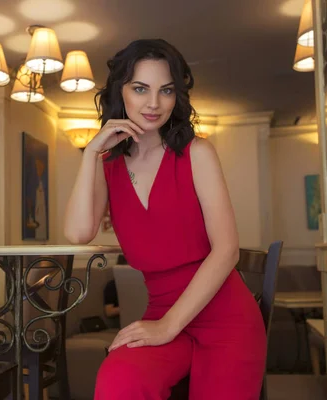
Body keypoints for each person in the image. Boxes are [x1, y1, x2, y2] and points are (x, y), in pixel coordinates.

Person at [63, 39, 266, 400]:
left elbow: (227, 251)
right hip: (161, 311)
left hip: (225, 318)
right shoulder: (108, 164)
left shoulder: (198, 153)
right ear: (119, 92)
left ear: (177, 96)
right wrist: (91, 153)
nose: (154, 103)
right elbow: (78, 232)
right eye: (140, 88)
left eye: (166, 90)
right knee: (119, 382)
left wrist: (169, 326)